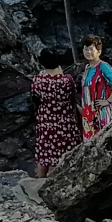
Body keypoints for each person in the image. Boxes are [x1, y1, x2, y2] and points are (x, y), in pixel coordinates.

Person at [30, 46, 80, 176]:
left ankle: (39, 182)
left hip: (45, 121)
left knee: (44, 154)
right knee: (63, 154)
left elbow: (36, 100)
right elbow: (73, 97)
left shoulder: (38, 81)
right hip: (65, 122)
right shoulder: (67, 80)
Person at [78, 35, 112, 139]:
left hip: (101, 113)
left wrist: (108, 100)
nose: (88, 52)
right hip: (88, 114)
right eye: (86, 49)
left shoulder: (103, 66)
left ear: (99, 51)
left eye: (91, 49)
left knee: (102, 141)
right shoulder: (87, 68)